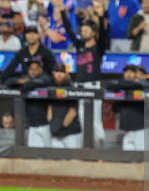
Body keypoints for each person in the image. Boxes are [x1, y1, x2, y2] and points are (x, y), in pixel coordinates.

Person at [59, 0, 106, 148]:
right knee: (82, 122)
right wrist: (61, 11)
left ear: (93, 33)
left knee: (95, 123)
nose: (83, 32)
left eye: (86, 30)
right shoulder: (79, 46)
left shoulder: (99, 48)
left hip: (92, 87)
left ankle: (100, 153)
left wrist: (101, 15)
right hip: (79, 88)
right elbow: (69, 30)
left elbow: (104, 33)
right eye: (83, 30)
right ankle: (85, 153)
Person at [5, 57, 54, 147]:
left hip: (45, 126)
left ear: (41, 69)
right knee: (33, 154)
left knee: (48, 155)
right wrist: (19, 81)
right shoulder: (26, 78)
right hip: (32, 126)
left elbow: (36, 83)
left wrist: (24, 83)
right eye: (31, 69)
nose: (33, 71)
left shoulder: (46, 78)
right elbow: (8, 82)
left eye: (36, 69)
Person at [107, 64, 149, 151]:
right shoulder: (121, 88)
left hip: (141, 130)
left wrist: (130, 84)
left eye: (131, 72)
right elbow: (109, 86)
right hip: (127, 131)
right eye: (126, 72)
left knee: (143, 160)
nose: (128, 74)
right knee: (128, 159)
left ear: (136, 74)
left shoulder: (143, 86)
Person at [48, 64, 82, 148]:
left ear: (66, 73)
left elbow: (73, 111)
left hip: (71, 132)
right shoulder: (51, 87)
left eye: (62, 72)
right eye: (57, 72)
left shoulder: (71, 87)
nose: (59, 74)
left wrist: (62, 126)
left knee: (74, 160)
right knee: (55, 160)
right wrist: (52, 125)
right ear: (53, 73)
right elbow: (49, 108)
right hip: (56, 133)